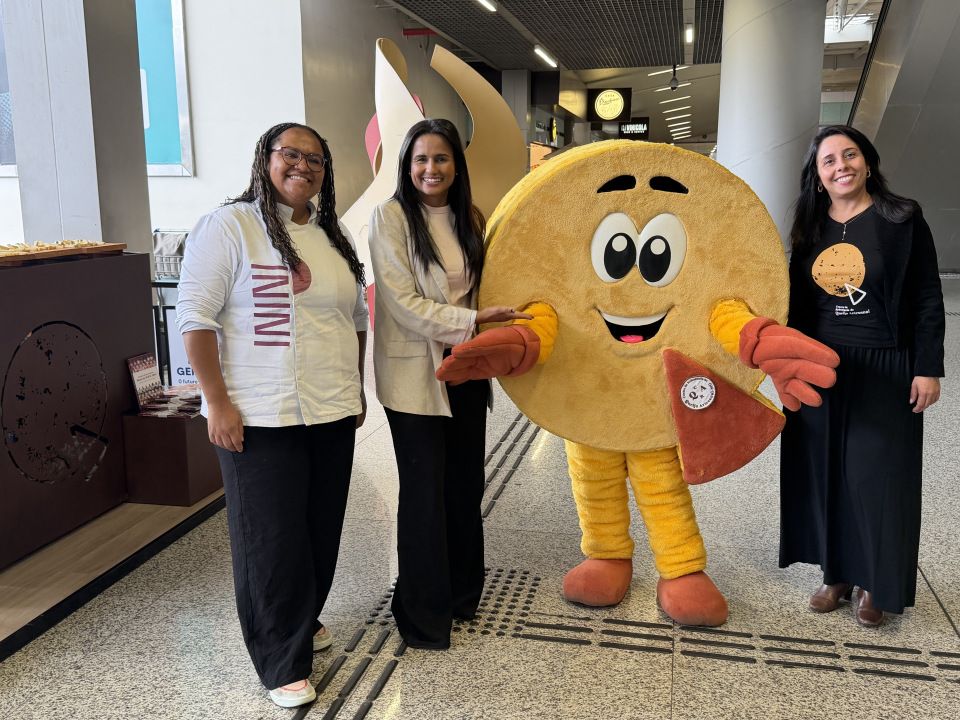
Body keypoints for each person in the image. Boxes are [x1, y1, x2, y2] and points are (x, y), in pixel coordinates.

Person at [177, 122, 368, 707]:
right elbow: (195, 320)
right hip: (259, 417)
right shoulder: (229, 226)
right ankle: (279, 659)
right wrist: (217, 402)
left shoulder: (332, 235)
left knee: (319, 529)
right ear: (265, 158)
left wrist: (354, 392)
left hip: (331, 410)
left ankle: (302, 617)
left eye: (315, 158)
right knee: (271, 540)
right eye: (291, 154)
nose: (303, 166)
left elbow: (353, 321)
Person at [368, 118, 529, 648]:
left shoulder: (469, 219)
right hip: (415, 376)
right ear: (406, 165)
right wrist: (473, 322)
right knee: (423, 495)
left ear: (456, 166)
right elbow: (402, 302)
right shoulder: (390, 218)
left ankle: (462, 596)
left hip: (465, 370)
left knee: (462, 488)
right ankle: (421, 614)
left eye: (440, 159)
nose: (430, 169)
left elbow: (485, 286)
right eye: (420, 159)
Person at [780, 125, 945, 628]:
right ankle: (837, 575)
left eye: (849, 155)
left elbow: (925, 297)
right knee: (825, 472)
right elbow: (793, 305)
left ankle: (875, 580)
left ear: (867, 162)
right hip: (822, 367)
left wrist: (927, 367)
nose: (840, 166)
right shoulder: (809, 229)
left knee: (877, 476)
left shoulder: (902, 218)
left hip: (885, 364)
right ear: (818, 176)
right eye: (828, 161)